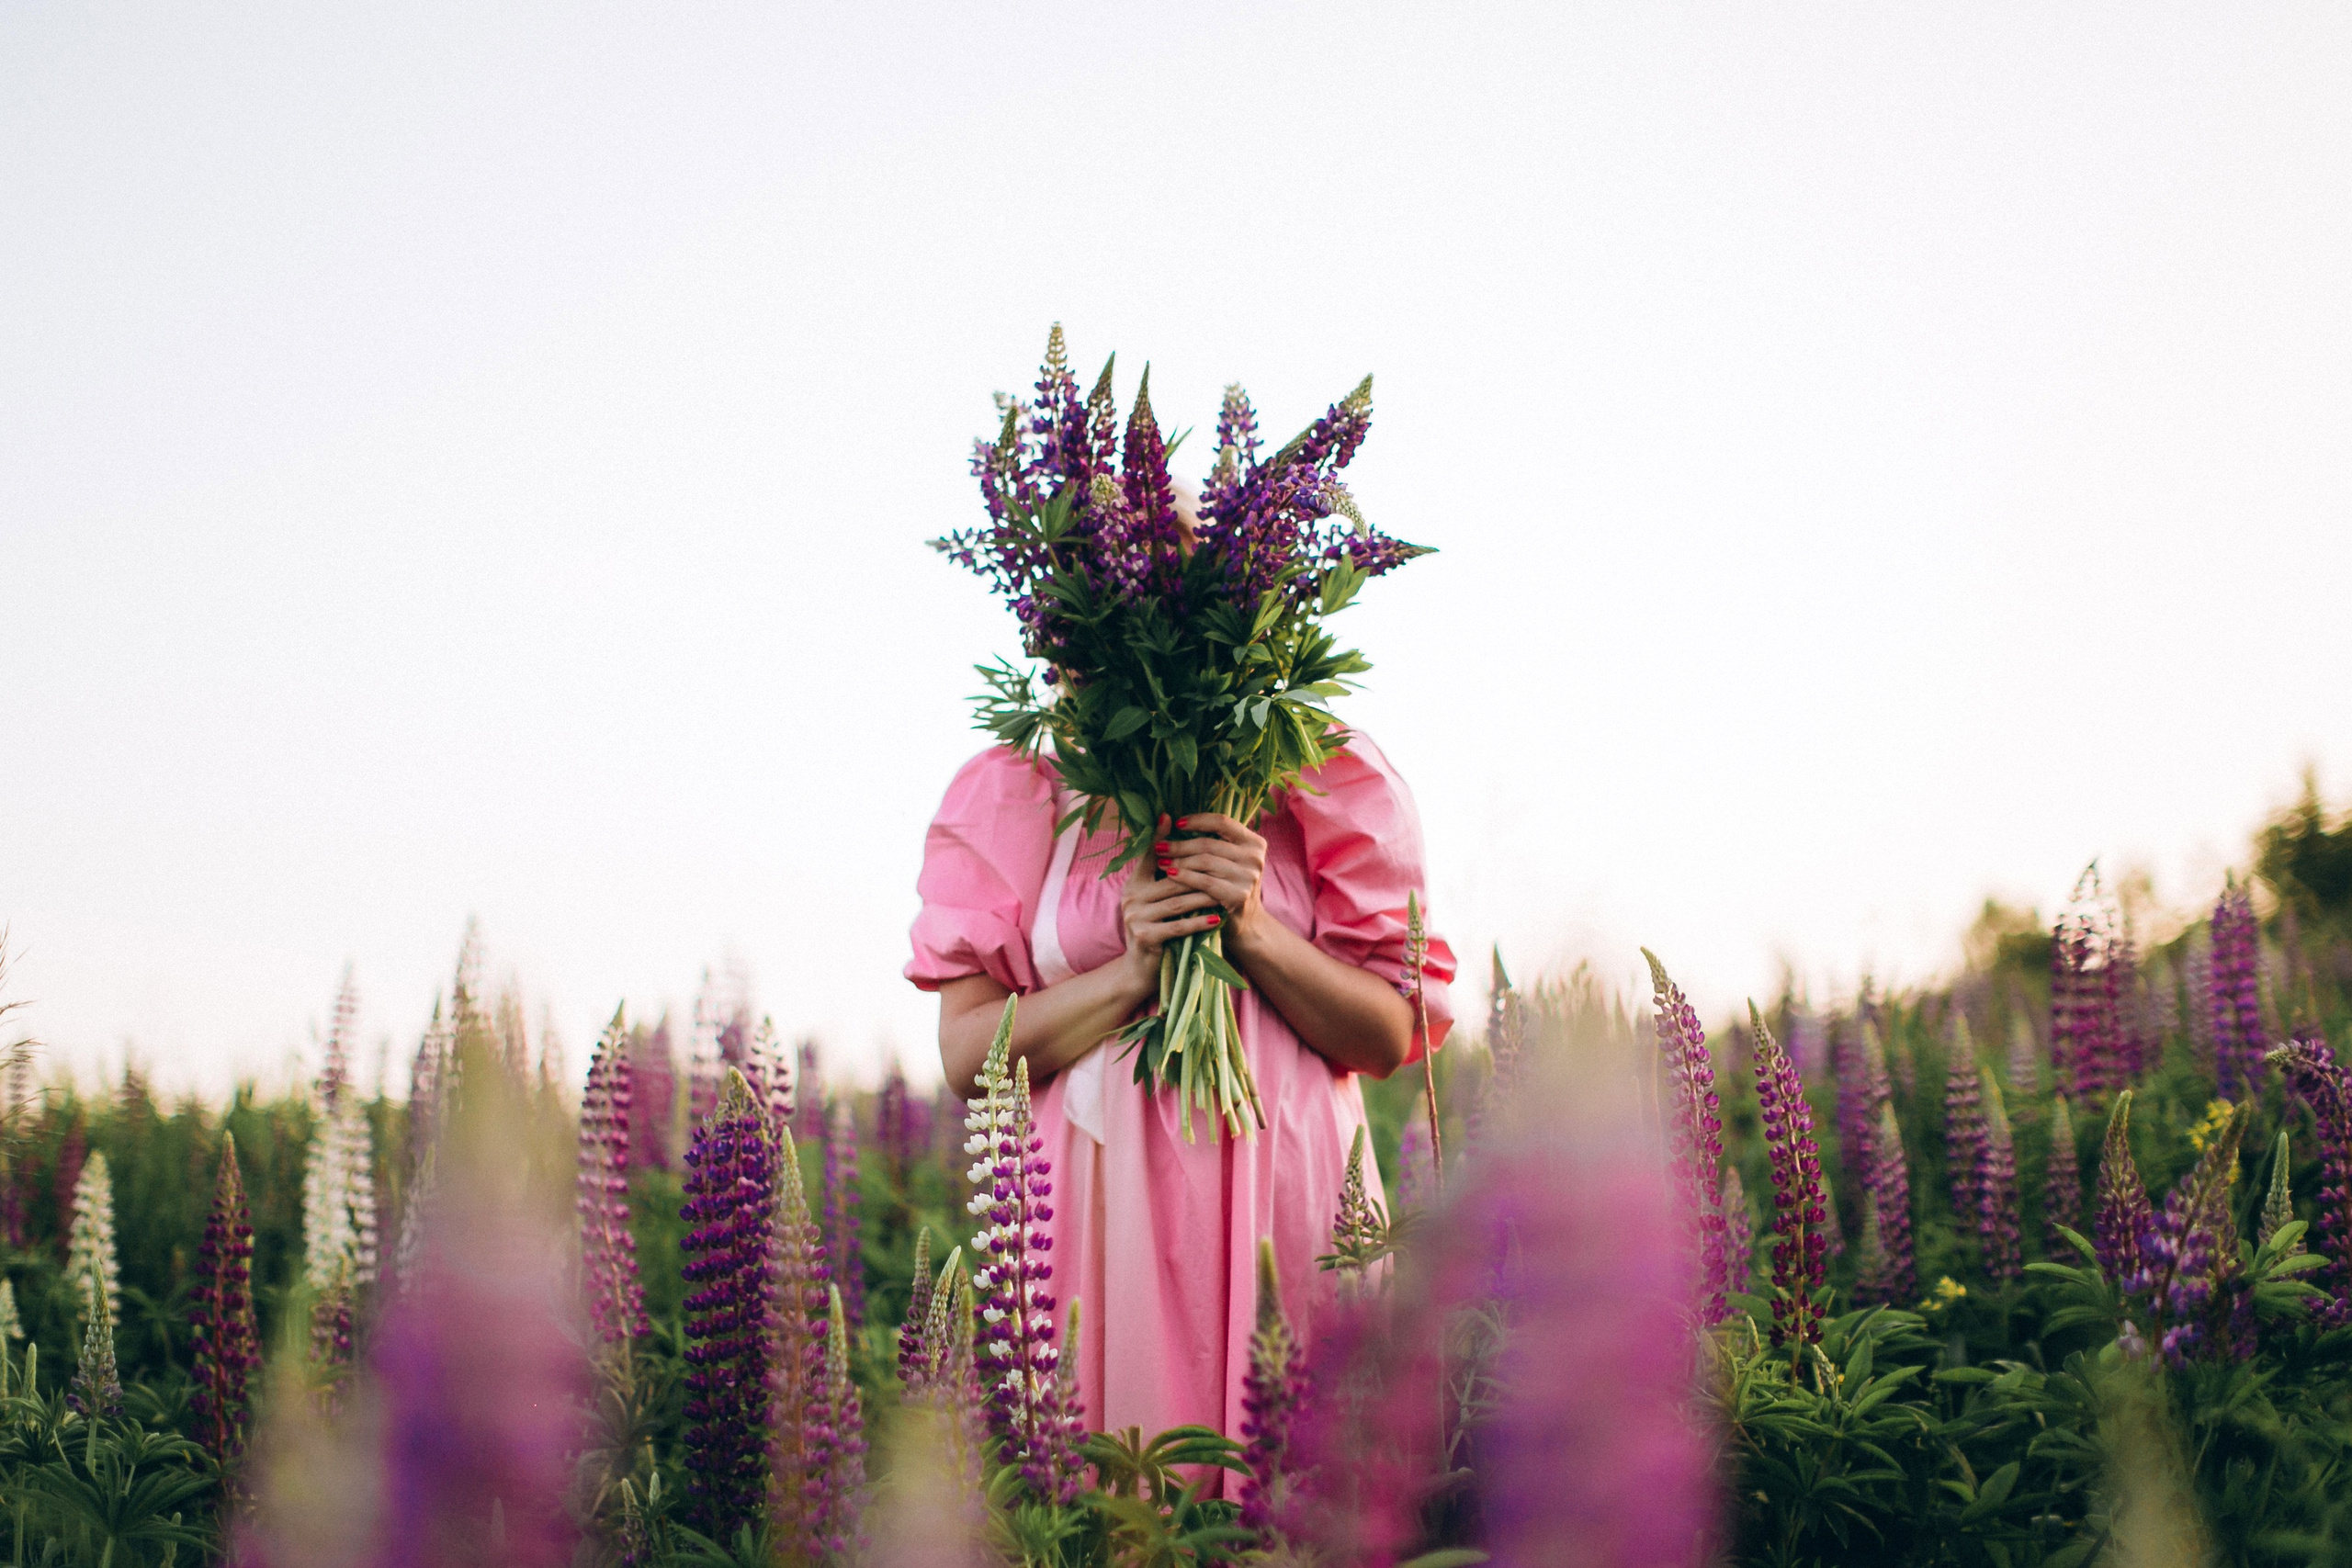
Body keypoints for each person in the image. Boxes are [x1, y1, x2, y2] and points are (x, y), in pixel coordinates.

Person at [906, 587, 1456, 1450]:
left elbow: (1389, 1035)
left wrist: (1255, 929)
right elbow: (970, 1055)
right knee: (1122, 1499)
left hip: (1290, 1189)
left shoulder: (1315, 766)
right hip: (1093, 1223)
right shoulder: (1018, 790)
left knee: (1306, 1493)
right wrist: (1128, 974)